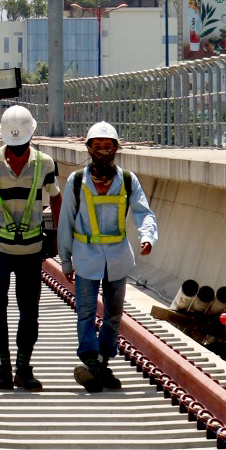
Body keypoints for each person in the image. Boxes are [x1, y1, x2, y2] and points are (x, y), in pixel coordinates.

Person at [57, 121, 158, 393]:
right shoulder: (77, 181)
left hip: (117, 257)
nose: (102, 150)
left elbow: (143, 212)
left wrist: (147, 236)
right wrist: (65, 259)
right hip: (86, 256)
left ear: (116, 148)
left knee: (113, 314)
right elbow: (65, 221)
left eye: (108, 146)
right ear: (89, 148)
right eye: (97, 146)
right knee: (86, 312)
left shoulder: (127, 180)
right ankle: (91, 361)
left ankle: (101, 362)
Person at [0, 105, 62, 392]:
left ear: (31, 138)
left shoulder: (45, 164)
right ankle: (2, 368)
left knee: (29, 310)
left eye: (22, 146)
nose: (18, 151)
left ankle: (23, 368)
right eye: (14, 145)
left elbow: (56, 199)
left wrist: (59, 238)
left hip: (31, 251)